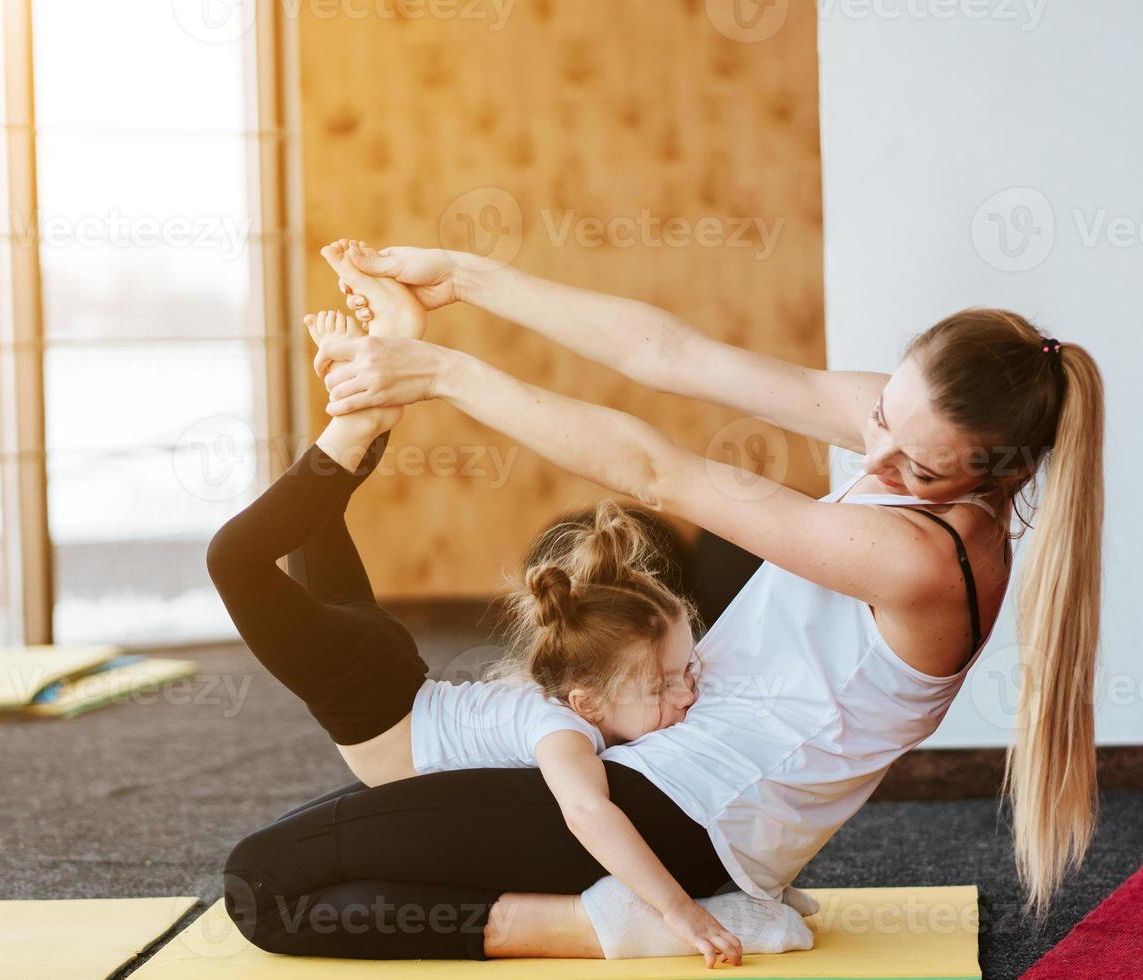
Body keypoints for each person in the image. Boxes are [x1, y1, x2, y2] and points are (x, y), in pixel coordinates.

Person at [215, 238, 1102, 961]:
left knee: (264, 887)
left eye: (919, 466)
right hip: (650, 761)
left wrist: (441, 373)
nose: (877, 462)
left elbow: (651, 470)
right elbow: (671, 354)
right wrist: (471, 279)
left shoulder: (923, 564)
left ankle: (608, 923)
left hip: (685, 813)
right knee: (338, 849)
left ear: (1006, 473)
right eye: (882, 420)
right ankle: (638, 900)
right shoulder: (910, 430)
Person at [206, 280, 813, 966]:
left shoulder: (567, 713)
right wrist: (676, 909)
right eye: (664, 681)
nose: (687, 695)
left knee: (311, 529)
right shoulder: (562, 729)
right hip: (373, 698)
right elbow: (589, 814)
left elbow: (587, 810)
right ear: (587, 699)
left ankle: (371, 381)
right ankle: (357, 414)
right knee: (236, 559)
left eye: (687, 672)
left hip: (389, 682)